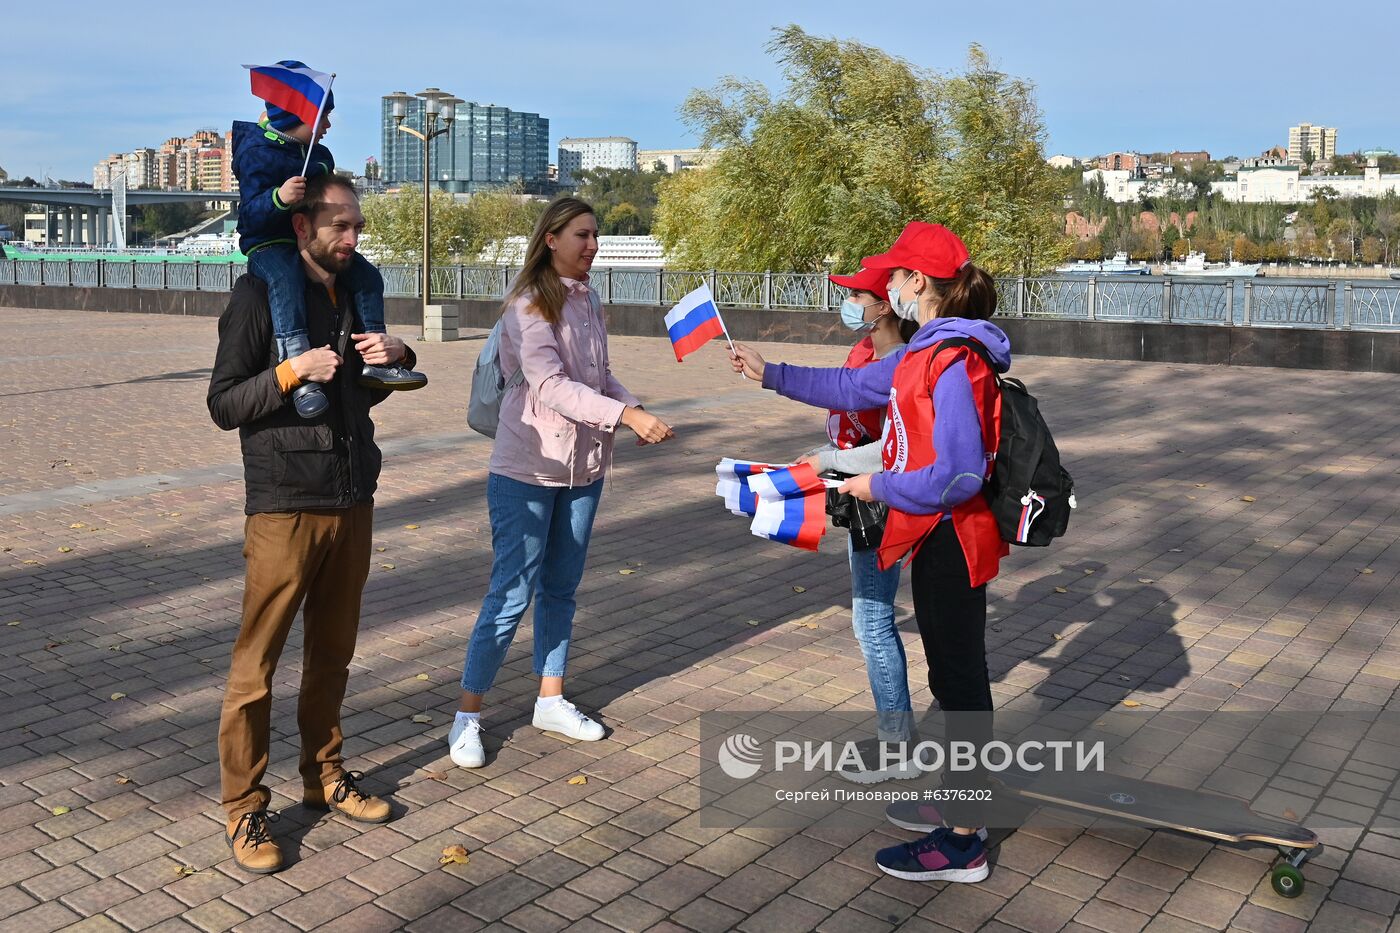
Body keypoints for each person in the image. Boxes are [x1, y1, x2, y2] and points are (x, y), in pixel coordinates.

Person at [730, 221, 1008, 884]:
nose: (880, 286)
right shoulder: (929, 350)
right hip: (933, 533)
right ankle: (959, 805)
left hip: (954, 536)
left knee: (961, 684)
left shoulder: (952, 357)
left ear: (917, 283)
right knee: (952, 679)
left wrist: (872, 482)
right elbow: (852, 390)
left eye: (892, 275)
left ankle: (965, 842)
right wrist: (771, 373)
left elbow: (961, 472)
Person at [208, 174, 415, 874]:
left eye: (358, 225)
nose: (353, 239)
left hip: (351, 498)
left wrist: (399, 355)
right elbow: (225, 402)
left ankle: (324, 775)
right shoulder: (257, 295)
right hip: (284, 504)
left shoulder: (353, 291)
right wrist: (292, 371)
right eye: (339, 227)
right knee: (256, 667)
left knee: (333, 654)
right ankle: (244, 807)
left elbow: (361, 395)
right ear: (302, 228)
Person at [448, 197, 674, 769]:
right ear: (550, 238)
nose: (592, 245)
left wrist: (633, 404)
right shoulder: (529, 304)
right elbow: (548, 384)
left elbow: (593, 375)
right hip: (526, 469)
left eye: (596, 234)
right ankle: (467, 716)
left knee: (561, 589)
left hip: (584, 468)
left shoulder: (588, 299)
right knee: (510, 595)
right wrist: (625, 417)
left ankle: (550, 698)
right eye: (582, 234)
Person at [232, 59, 425, 420]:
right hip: (269, 244)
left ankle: (375, 357)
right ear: (296, 116)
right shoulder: (258, 154)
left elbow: (329, 199)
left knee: (368, 276)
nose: (328, 125)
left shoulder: (317, 156)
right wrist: (279, 198)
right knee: (287, 279)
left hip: (305, 244)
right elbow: (248, 217)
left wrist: (399, 353)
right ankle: (297, 359)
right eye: (322, 116)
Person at [794, 266, 919, 782]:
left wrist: (829, 461)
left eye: (857, 296)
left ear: (885, 304)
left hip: (880, 498)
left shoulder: (900, 364)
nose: (848, 303)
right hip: (860, 491)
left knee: (871, 619)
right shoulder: (868, 352)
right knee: (871, 616)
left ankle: (898, 746)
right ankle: (898, 735)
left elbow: (894, 450)